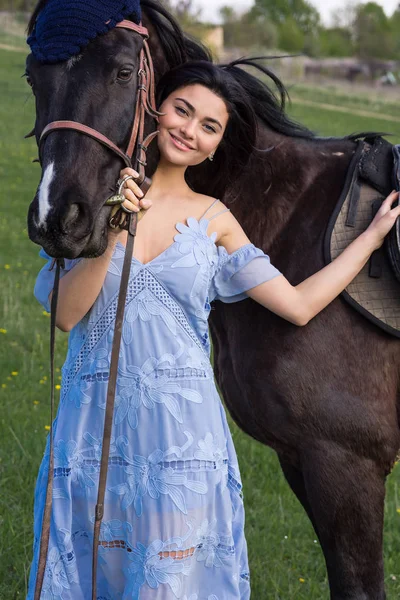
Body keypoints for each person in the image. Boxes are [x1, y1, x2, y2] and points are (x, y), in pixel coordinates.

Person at [29, 60, 400, 600]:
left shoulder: (215, 219)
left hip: (182, 440)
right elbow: (66, 315)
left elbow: (296, 306)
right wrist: (113, 228)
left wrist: (368, 240)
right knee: (90, 574)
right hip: (93, 429)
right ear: (155, 107)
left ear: (217, 145)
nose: (189, 130)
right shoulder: (96, 200)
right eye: (182, 110)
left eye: (210, 126)